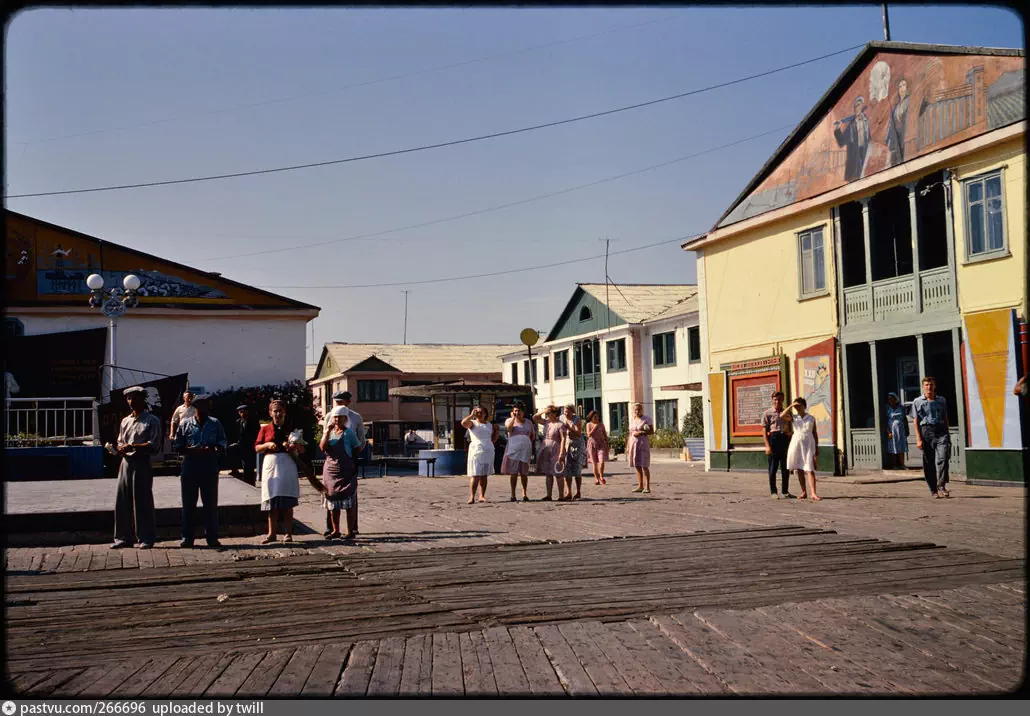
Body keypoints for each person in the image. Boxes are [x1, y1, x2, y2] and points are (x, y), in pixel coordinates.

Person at [257, 399, 324, 543]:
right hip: (271, 465)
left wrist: (295, 447)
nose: (278, 414)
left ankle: (288, 533)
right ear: (270, 413)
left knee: (287, 501)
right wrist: (267, 445)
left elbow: (303, 449)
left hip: (287, 465)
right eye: (275, 411)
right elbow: (257, 447)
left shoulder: (293, 428)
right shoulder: (265, 429)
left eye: (280, 411)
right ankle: (272, 533)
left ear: (285, 412)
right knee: (271, 501)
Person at [172, 394, 227, 548]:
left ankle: (212, 537)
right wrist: (190, 450)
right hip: (190, 466)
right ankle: (187, 537)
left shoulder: (215, 423)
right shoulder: (185, 423)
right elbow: (177, 445)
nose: (209, 407)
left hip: (209, 466)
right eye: (206, 404)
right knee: (188, 504)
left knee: (210, 503)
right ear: (197, 407)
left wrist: (214, 448)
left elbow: (223, 441)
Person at [112, 386, 161, 549]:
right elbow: (120, 440)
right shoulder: (125, 421)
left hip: (141, 462)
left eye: (135, 398)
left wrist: (134, 446)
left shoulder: (152, 420)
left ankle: (146, 537)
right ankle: (122, 537)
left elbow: (154, 445)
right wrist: (119, 448)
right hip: (125, 463)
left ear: (143, 399)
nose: (132, 401)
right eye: (129, 398)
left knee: (142, 500)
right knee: (122, 500)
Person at [319, 406, 360, 540]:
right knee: (333, 502)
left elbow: (357, 448)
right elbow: (322, 447)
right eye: (335, 417)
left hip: (345, 472)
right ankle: (335, 530)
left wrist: (349, 460)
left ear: (345, 419)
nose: (337, 420)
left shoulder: (349, 433)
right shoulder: (329, 433)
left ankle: (350, 531)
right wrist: (326, 432)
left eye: (340, 417)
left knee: (349, 502)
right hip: (330, 472)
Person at [912, 377, 951, 498]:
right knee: (928, 462)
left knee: (943, 457)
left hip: (941, 431)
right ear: (923, 387)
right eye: (927, 385)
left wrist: (948, 433)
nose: (929, 387)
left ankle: (941, 484)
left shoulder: (941, 400)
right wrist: (918, 439)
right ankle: (933, 489)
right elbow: (915, 421)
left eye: (931, 385)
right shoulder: (917, 401)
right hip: (926, 432)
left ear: (935, 386)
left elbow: (945, 417)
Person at [783, 397, 820, 501]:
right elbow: (782, 416)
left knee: (810, 468)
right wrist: (791, 405)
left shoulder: (811, 418)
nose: (797, 408)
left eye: (799, 406)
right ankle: (803, 491)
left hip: (809, 443)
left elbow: (814, 433)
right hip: (797, 443)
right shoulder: (794, 417)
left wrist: (817, 447)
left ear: (804, 406)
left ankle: (813, 493)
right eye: (796, 406)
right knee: (799, 468)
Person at [461, 406, 499, 504]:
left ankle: (482, 496)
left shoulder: (489, 425)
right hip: (476, 449)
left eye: (481, 412)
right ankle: (472, 496)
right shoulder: (473, 423)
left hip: (487, 450)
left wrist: (495, 435)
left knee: (484, 475)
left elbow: (493, 438)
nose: (479, 414)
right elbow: (463, 423)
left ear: (485, 413)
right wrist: (471, 415)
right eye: (477, 412)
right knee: (475, 474)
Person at [762, 391, 796, 499]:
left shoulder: (786, 412)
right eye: (775, 399)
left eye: (780, 399)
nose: (777, 402)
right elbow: (764, 432)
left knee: (785, 467)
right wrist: (767, 446)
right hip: (773, 439)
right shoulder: (767, 413)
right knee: (773, 468)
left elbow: (793, 424)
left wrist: (790, 434)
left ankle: (785, 491)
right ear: (772, 400)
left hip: (785, 439)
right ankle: (773, 492)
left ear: (783, 400)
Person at [502, 402, 534, 502]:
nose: (517, 413)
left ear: (523, 412)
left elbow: (532, 435)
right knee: (514, 473)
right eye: (515, 411)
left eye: (519, 411)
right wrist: (513, 418)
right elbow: (508, 429)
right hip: (514, 451)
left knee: (524, 473)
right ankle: (513, 494)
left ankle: (524, 493)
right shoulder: (509, 420)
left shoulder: (528, 422)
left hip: (525, 451)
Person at [533, 405, 567, 501]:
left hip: (556, 448)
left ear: (555, 413)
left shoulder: (560, 424)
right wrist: (544, 411)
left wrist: (561, 453)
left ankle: (561, 496)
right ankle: (549, 495)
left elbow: (563, 439)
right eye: (547, 413)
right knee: (548, 473)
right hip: (545, 448)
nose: (547, 415)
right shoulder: (546, 422)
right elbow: (534, 418)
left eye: (549, 413)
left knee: (558, 473)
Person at [229, 404, 260, 485]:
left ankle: (250, 482)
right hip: (241, 446)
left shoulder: (253, 422)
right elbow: (236, 434)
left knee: (248, 466)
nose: (242, 414)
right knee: (231, 451)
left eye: (244, 412)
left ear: (247, 411)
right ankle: (235, 471)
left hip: (249, 447)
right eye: (240, 412)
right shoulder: (238, 422)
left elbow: (256, 434)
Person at [560, 404, 586, 500]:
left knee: (576, 469)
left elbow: (578, 433)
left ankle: (578, 491)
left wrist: (569, 427)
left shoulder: (576, 419)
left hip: (577, 445)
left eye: (568, 411)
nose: (566, 413)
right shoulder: (562, 418)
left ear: (572, 411)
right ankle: (569, 492)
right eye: (565, 411)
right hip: (567, 444)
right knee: (567, 469)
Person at [627, 403, 653, 494]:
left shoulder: (646, 419)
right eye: (635, 410)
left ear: (642, 410)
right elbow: (630, 433)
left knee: (644, 465)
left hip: (643, 443)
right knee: (637, 465)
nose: (637, 411)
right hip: (633, 444)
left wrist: (641, 432)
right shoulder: (632, 420)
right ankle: (640, 486)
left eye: (639, 409)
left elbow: (651, 431)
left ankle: (647, 487)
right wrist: (628, 445)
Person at [885, 392, 909, 469]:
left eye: (892, 399)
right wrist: (888, 432)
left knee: (902, 447)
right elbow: (885, 421)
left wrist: (907, 429)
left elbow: (905, 419)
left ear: (895, 399)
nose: (890, 401)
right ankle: (894, 465)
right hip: (892, 429)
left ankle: (902, 465)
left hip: (901, 429)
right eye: (889, 399)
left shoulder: (901, 407)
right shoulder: (888, 408)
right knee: (893, 447)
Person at [585, 411, 609, 486]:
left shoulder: (601, 424)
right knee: (594, 463)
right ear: (591, 417)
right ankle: (596, 478)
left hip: (601, 444)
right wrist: (595, 427)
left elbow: (605, 434)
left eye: (597, 416)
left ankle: (601, 476)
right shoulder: (588, 424)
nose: (596, 418)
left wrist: (607, 444)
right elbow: (589, 434)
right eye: (595, 417)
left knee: (602, 461)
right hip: (592, 444)